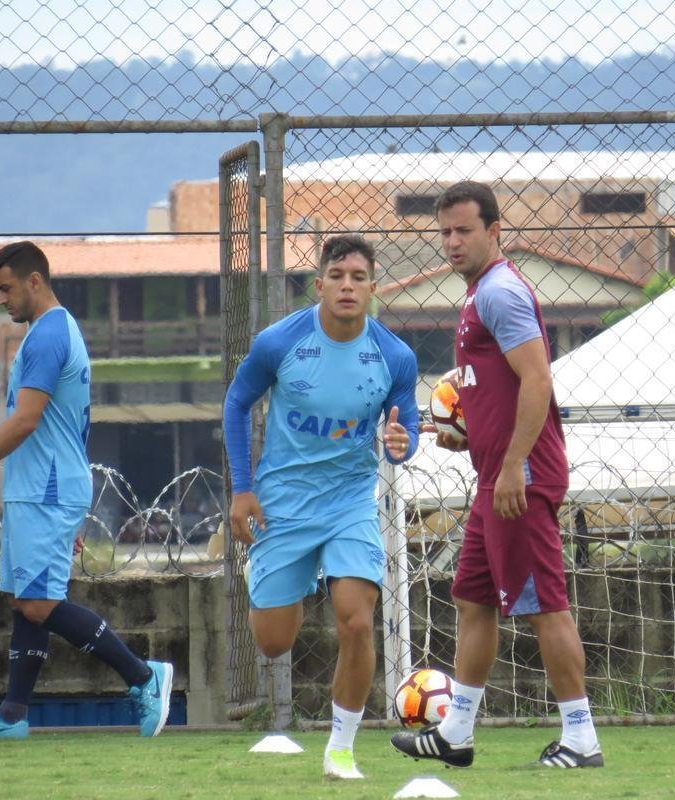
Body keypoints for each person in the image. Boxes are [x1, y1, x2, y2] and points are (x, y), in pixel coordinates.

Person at [391, 182, 603, 768]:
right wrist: (470, 434)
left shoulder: (501, 293)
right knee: (471, 599)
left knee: (544, 606)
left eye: (464, 230)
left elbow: (537, 380)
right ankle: (455, 734)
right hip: (496, 477)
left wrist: (512, 465)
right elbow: (496, 389)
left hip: (520, 479)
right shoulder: (479, 293)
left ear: (494, 232)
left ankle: (581, 740)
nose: (453, 242)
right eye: (445, 232)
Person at [0, 240, 173, 740]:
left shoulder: (46, 337)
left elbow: (26, 420)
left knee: (40, 603)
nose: (1, 300)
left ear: (33, 281)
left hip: (47, 488)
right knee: (26, 599)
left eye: (5, 289)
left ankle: (145, 676)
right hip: (39, 488)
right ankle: (13, 716)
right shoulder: (51, 332)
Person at [223, 234, 419, 780]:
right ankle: (282, 570)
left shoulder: (394, 355)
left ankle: (341, 750)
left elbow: (408, 422)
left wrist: (405, 442)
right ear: (320, 285)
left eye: (359, 277)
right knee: (274, 642)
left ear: (373, 287)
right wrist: (243, 489)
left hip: (350, 501)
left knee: (356, 623)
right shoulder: (278, 342)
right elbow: (237, 403)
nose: (348, 286)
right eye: (338, 276)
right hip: (283, 503)